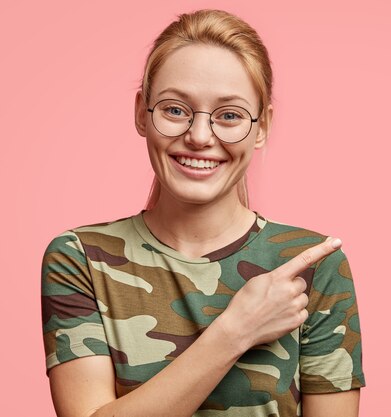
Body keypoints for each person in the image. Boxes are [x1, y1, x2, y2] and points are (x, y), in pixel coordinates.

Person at [41, 9, 365, 417]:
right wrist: (235, 331)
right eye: (175, 109)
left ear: (262, 126)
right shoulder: (78, 258)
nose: (198, 136)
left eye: (229, 116)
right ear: (142, 112)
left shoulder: (313, 266)